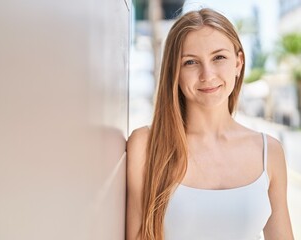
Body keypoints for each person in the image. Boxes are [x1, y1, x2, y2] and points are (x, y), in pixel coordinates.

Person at [126, 8, 294, 240]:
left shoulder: (269, 152)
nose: (207, 74)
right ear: (174, 71)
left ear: (238, 62)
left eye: (219, 57)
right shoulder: (145, 145)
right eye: (191, 62)